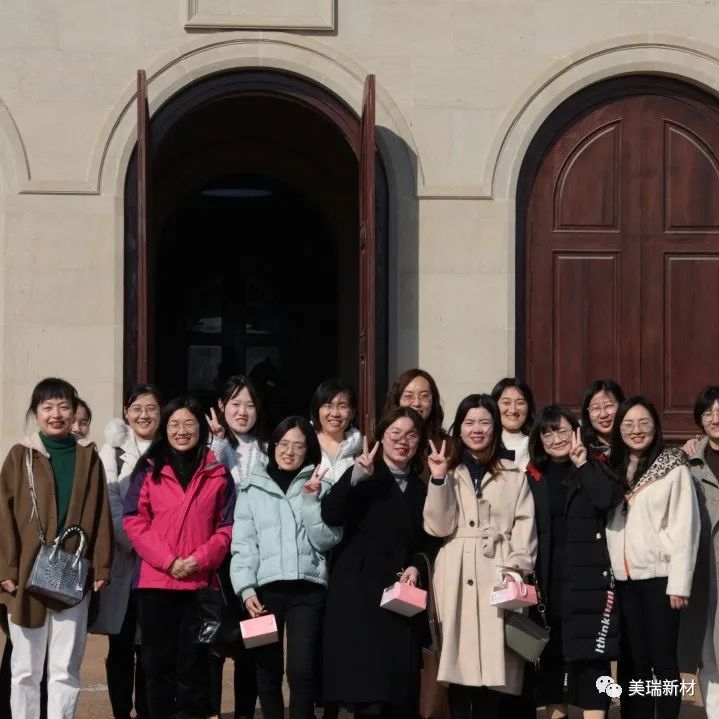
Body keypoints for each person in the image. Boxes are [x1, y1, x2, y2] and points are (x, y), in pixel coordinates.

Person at [0, 377, 113, 719]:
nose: (56, 414)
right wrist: (6, 568)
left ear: (74, 411)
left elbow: (101, 513)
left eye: (64, 406)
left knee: (65, 669)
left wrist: (102, 566)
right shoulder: (20, 456)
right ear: (35, 412)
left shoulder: (88, 457)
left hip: (72, 573)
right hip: (25, 576)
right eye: (47, 407)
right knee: (25, 669)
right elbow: (3, 514)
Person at [422, 394, 537, 719]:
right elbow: (438, 526)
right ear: (459, 428)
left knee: (494, 678)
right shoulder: (449, 470)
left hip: (498, 574)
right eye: (469, 422)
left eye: (484, 422)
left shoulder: (514, 475)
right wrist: (439, 478)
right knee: (458, 677)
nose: (477, 429)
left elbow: (524, 526)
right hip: (455, 576)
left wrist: (516, 568)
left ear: (495, 428)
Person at [123, 396, 236, 719]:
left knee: (195, 666)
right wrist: (169, 561)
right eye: (174, 424)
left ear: (201, 429)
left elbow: (226, 527)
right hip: (155, 583)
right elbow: (134, 520)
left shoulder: (218, 472)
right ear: (165, 428)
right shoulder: (149, 469)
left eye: (189, 424)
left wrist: (199, 559)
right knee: (157, 667)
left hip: (199, 585)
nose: (181, 431)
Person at [321, 407, 438, 719]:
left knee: (399, 694)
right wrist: (357, 477)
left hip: (401, 594)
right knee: (368, 695)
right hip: (360, 593)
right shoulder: (365, 472)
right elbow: (331, 513)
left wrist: (416, 565)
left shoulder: (421, 487)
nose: (402, 441)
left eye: (411, 435)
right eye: (395, 433)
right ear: (381, 437)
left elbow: (428, 539)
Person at [231, 416, 341, 719]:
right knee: (267, 670)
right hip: (266, 592)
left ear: (309, 451)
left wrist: (310, 500)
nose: (289, 451)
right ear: (273, 445)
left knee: (301, 670)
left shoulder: (321, 485)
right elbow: (243, 545)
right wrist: (246, 589)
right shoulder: (252, 488)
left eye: (298, 446)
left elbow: (327, 539)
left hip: (308, 589)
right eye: (283, 443)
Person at [606, 396, 700, 719]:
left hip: (660, 579)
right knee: (632, 661)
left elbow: (686, 527)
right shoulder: (611, 467)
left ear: (655, 427)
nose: (636, 430)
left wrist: (680, 584)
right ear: (619, 430)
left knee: (663, 661)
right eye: (628, 424)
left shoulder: (672, 466)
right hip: (622, 580)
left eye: (643, 423)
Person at [526, 405, 622, 719]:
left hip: (589, 581)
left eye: (562, 431)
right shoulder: (532, 475)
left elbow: (607, 500)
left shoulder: (595, 465)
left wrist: (583, 464)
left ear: (577, 432)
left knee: (593, 661)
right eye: (547, 432)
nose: (555, 439)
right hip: (547, 581)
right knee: (552, 662)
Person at [91, 384, 162, 719]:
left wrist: (158, 550)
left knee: (151, 648)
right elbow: (111, 503)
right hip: (125, 561)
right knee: (120, 645)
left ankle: (147, 711)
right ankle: (121, 711)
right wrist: (140, 543)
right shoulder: (113, 450)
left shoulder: (168, 447)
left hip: (159, 566)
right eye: (137, 409)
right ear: (126, 413)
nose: (144, 415)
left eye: (151, 408)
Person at [206, 375, 267, 719]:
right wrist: (217, 441)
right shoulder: (209, 445)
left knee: (252, 642)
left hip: (257, 558)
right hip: (219, 557)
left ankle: (244, 713)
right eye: (235, 404)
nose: (242, 412)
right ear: (221, 406)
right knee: (213, 640)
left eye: (250, 404)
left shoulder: (269, 449)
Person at [679, 386, 719, 718]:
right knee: (710, 653)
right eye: (708, 412)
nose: (715, 418)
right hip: (707, 572)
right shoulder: (688, 463)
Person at [383, 369, 448, 481]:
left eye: (424, 396)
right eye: (408, 396)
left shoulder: (447, 447)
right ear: (397, 401)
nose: (417, 403)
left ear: (433, 401)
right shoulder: (383, 443)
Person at [312, 378, 362, 485]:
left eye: (342, 406)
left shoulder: (358, 448)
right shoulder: (305, 442)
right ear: (317, 410)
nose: (335, 413)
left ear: (353, 413)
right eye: (328, 406)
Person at [490, 378, 535, 471]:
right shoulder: (486, 443)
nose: (513, 410)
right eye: (506, 403)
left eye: (520, 403)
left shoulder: (540, 442)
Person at [580, 380, 625, 457]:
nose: (603, 415)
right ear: (587, 412)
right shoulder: (581, 448)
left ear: (621, 406)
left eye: (608, 406)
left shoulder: (633, 443)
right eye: (595, 408)